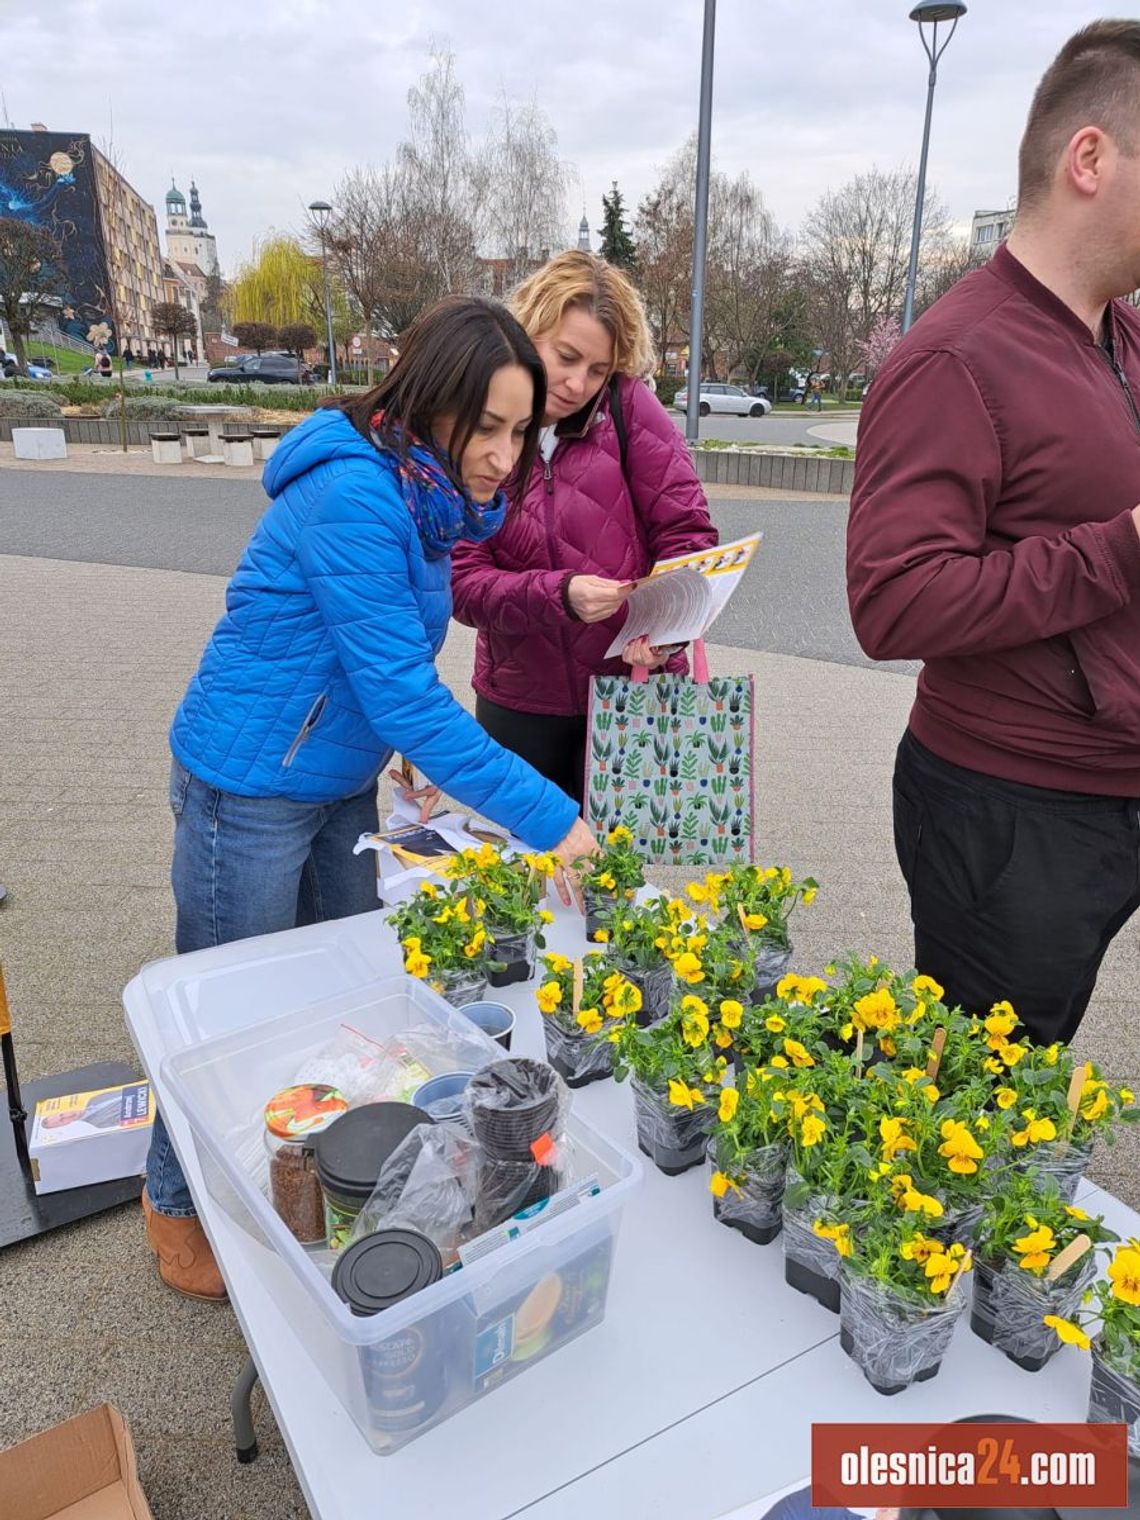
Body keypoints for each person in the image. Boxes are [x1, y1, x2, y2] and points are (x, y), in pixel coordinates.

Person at [142, 296, 596, 1299]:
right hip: (248, 788)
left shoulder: (428, 498)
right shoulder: (357, 493)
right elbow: (404, 690)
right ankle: (177, 1211)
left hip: (332, 778)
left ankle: (300, 1179)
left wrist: (388, 748)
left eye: (521, 431)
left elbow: (380, 663)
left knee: (331, 1004)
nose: (503, 453)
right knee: (221, 1021)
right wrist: (551, 816)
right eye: (487, 425)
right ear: (432, 403)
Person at [847, 19, 1140, 1048]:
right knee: (979, 1098)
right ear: (1090, 158)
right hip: (1010, 809)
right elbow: (892, 602)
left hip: (1109, 786)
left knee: (1029, 1067)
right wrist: (1124, 544)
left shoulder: (1120, 331)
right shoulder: (955, 356)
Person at [451, 250, 718, 803]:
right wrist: (559, 595)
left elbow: (686, 532)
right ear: (529, 328)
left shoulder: (628, 407)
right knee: (523, 872)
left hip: (629, 685)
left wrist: (667, 631)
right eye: (566, 357)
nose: (577, 384)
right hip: (518, 700)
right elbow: (461, 582)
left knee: (614, 871)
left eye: (598, 370)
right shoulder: (476, 421)